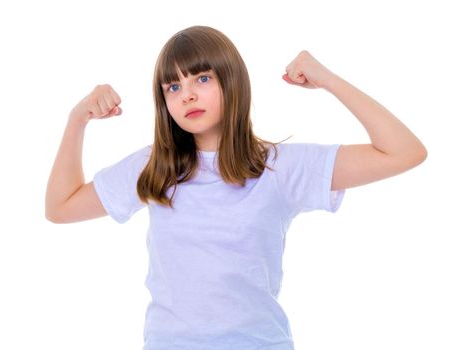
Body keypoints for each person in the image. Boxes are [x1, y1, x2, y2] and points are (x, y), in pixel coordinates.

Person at [45, 25, 427, 350]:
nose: (188, 95)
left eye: (202, 79)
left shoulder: (279, 167)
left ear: (232, 81)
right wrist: (77, 120)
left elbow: (404, 152)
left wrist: (327, 79)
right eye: (173, 87)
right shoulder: (155, 167)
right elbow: (60, 207)